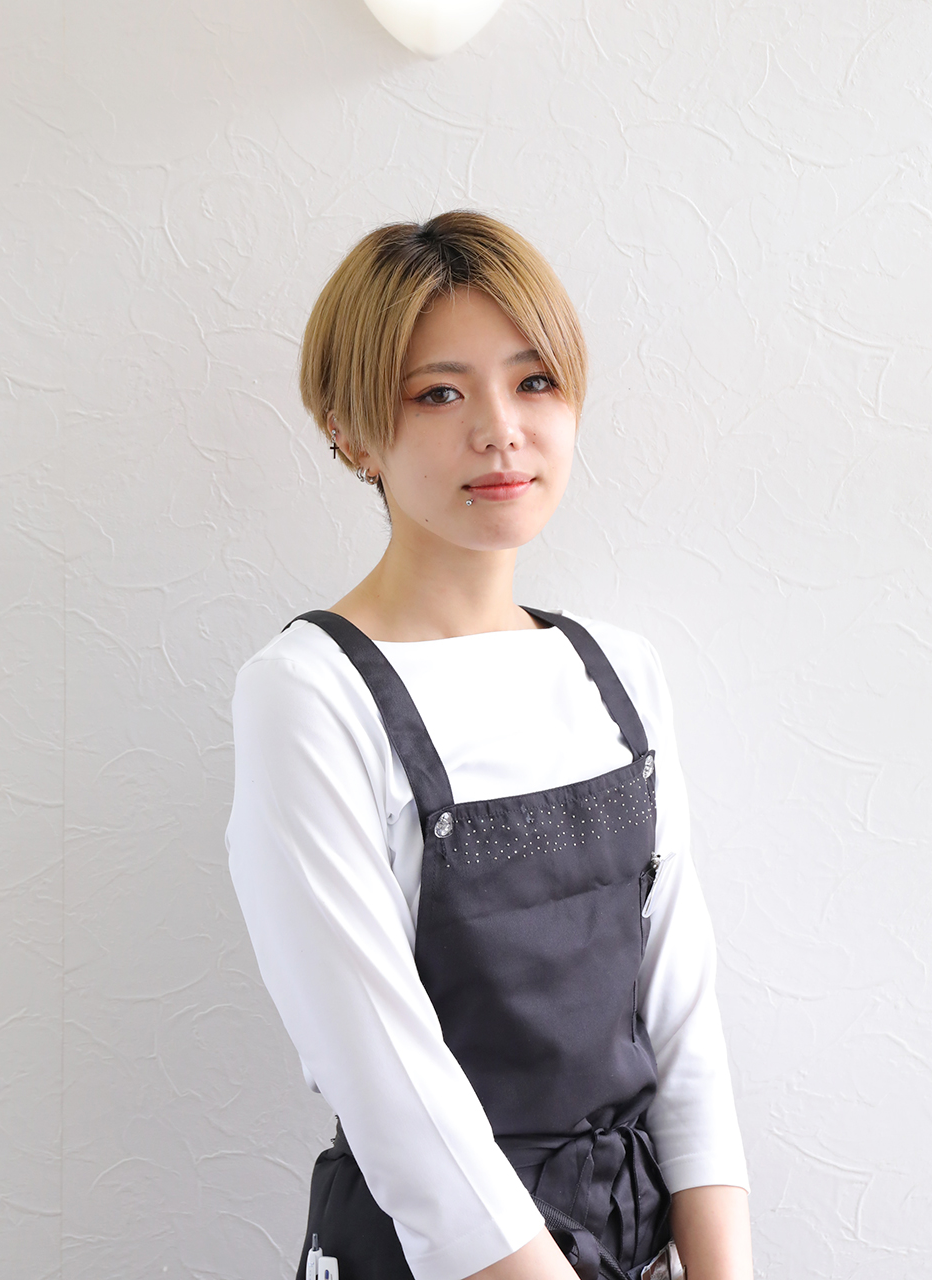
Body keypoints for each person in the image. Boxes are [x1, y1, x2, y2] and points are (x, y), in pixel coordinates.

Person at [227, 211, 753, 1280]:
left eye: (535, 382)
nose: (501, 430)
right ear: (349, 430)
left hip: (638, 1242)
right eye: (439, 393)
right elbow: (389, 1085)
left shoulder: (620, 672)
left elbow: (684, 1028)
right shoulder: (308, 693)